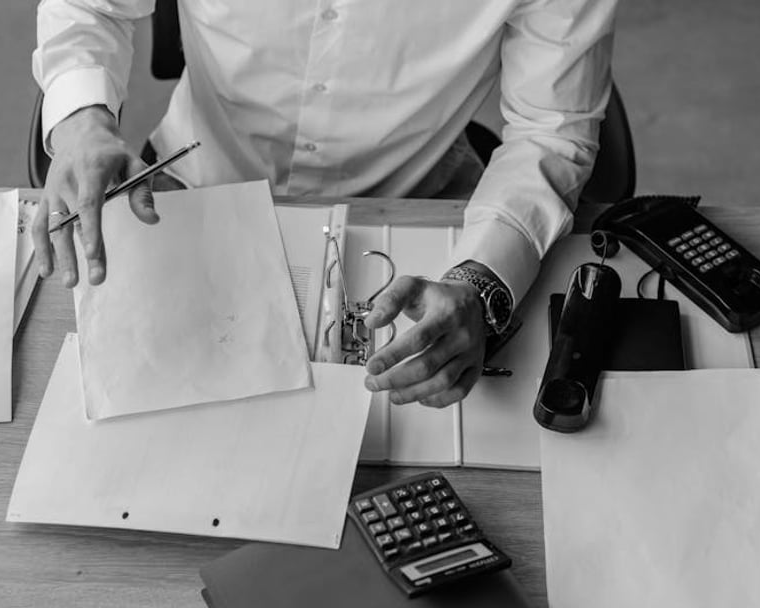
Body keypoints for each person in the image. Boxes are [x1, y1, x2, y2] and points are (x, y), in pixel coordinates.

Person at [31, 0, 618, 409]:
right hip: (197, 182)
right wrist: (83, 122)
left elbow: (551, 129)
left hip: (415, 208)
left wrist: (482, 279)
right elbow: (91, 5)